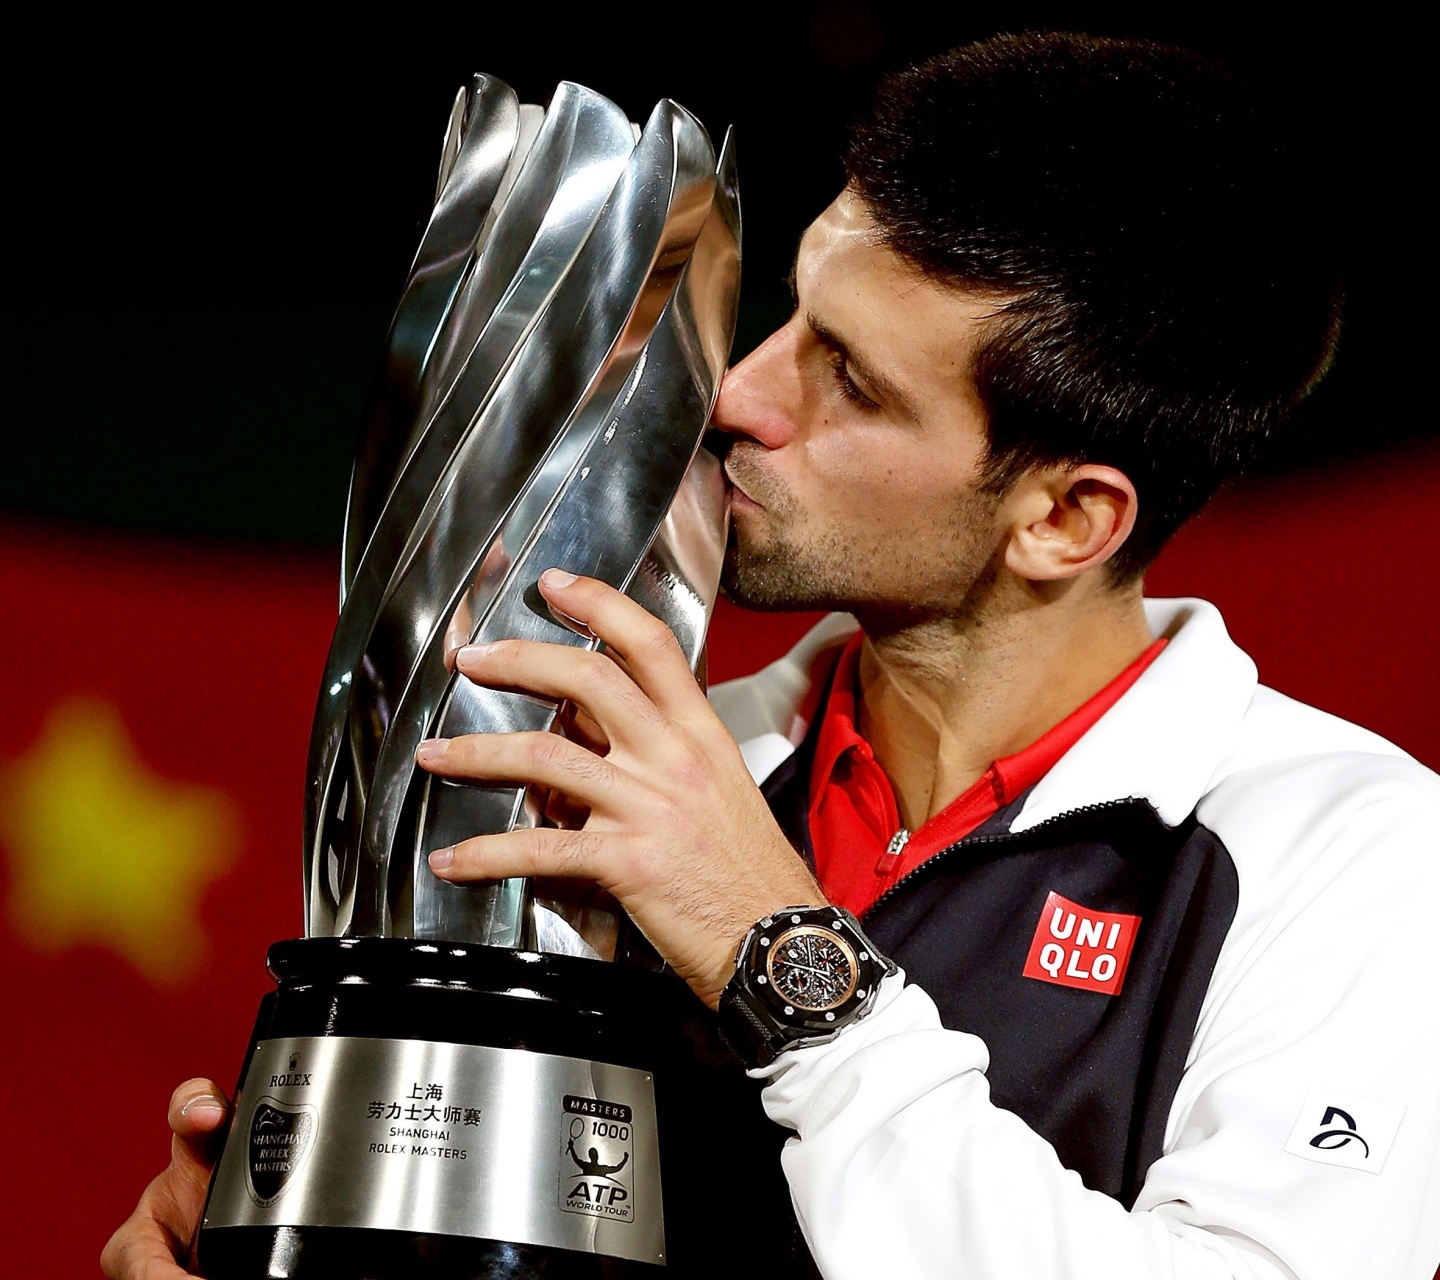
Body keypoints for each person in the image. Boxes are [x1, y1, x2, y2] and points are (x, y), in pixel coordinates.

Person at [103, 31, 1440, 1280]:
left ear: (1065, 518)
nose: (742, 393)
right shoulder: (624, 774)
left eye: (850, 383)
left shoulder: (1350, 854)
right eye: (795, 314)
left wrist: (784, 963)